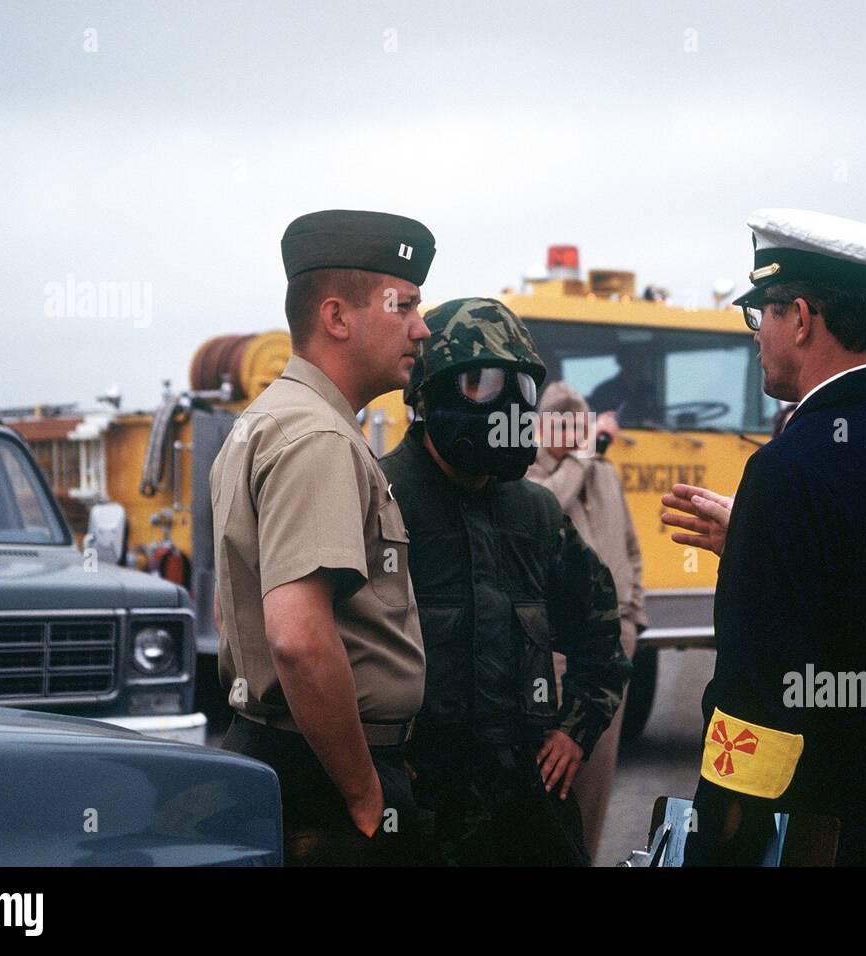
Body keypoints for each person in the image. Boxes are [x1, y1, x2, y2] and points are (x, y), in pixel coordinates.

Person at [662, 208, 866, 866]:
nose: (758, 335)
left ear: (802, 319)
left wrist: (718, 845)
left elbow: (755, 702)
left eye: (762, 312)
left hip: (809, 839)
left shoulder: (787, 470)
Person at [210, 209, 435, 865]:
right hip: (325, 783)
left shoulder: (273, 419)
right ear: (337, 318)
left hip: (293, 756)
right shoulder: (319, 439)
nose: (422, 329)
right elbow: (298, 638)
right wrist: (367, 794)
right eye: (405, 306)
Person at [380, 296, 629, 865]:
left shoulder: (535, 512)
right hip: (421, 813)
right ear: (430, 392)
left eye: (519, 387)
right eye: (480, 383)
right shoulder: (382, 500)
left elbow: (600, 637)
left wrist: (575, 731)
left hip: (525, 811)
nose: (506, 405)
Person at [526, 380, 647, 858]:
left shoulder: (604, 472)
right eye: (562, 423)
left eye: (578, 422)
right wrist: (579, 459)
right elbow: (548, 507)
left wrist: (635, 615)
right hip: (559, 653)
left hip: (617, 642)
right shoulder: (528, 476)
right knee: (558, 773)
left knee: (598, 775)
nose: (573, 432)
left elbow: (632, 547)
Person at [588, 345, 662, 424]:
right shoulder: (604, 391)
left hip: (651, 435)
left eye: (639, 357)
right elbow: (592, 423)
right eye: (630, 357)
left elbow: (658, 418)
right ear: (620, 360)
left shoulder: (648, 389)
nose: (635, 362)